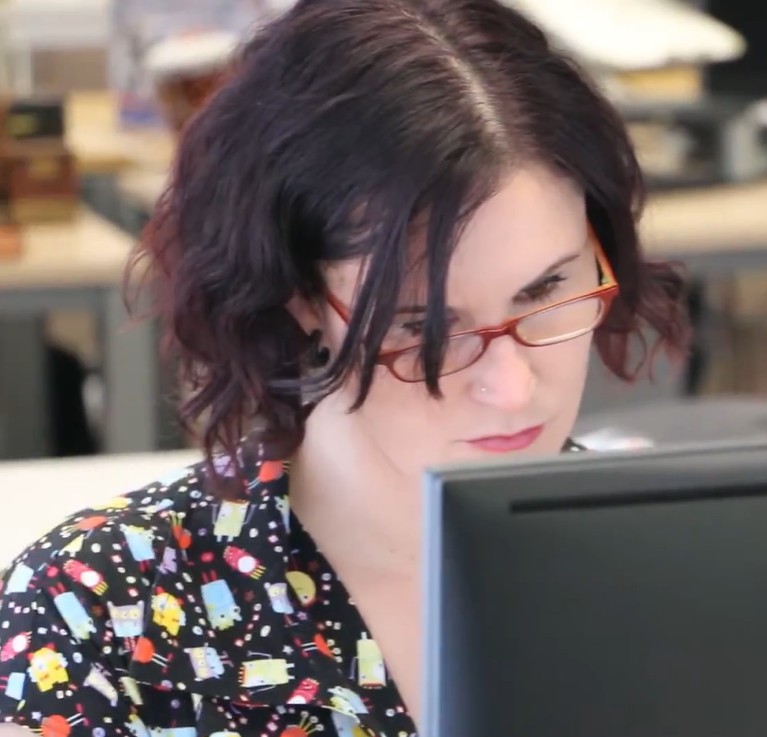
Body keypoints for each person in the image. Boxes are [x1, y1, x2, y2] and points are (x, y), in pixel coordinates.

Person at [0, 1, 687, 735]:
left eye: (548, 291)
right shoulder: (96, 611)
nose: (512, 387)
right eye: (425, 328)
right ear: (297, 296)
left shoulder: (675, 570)